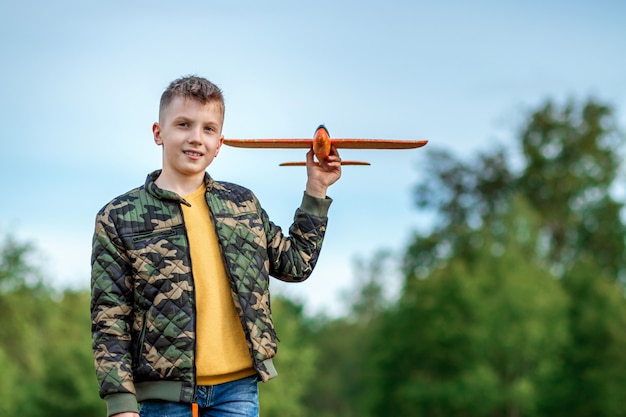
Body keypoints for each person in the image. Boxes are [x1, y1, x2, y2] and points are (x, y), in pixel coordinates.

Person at [90, 75, 341, 417]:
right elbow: (110, 318)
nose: (196, 138)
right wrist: (120, 404)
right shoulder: (118, 217)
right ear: (158, 132)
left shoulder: (242, 204)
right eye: (183, 124)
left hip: (237, 391)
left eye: (208, 129)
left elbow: (295, 265)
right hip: (164, 398)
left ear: (220, 142)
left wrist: (316, 188)